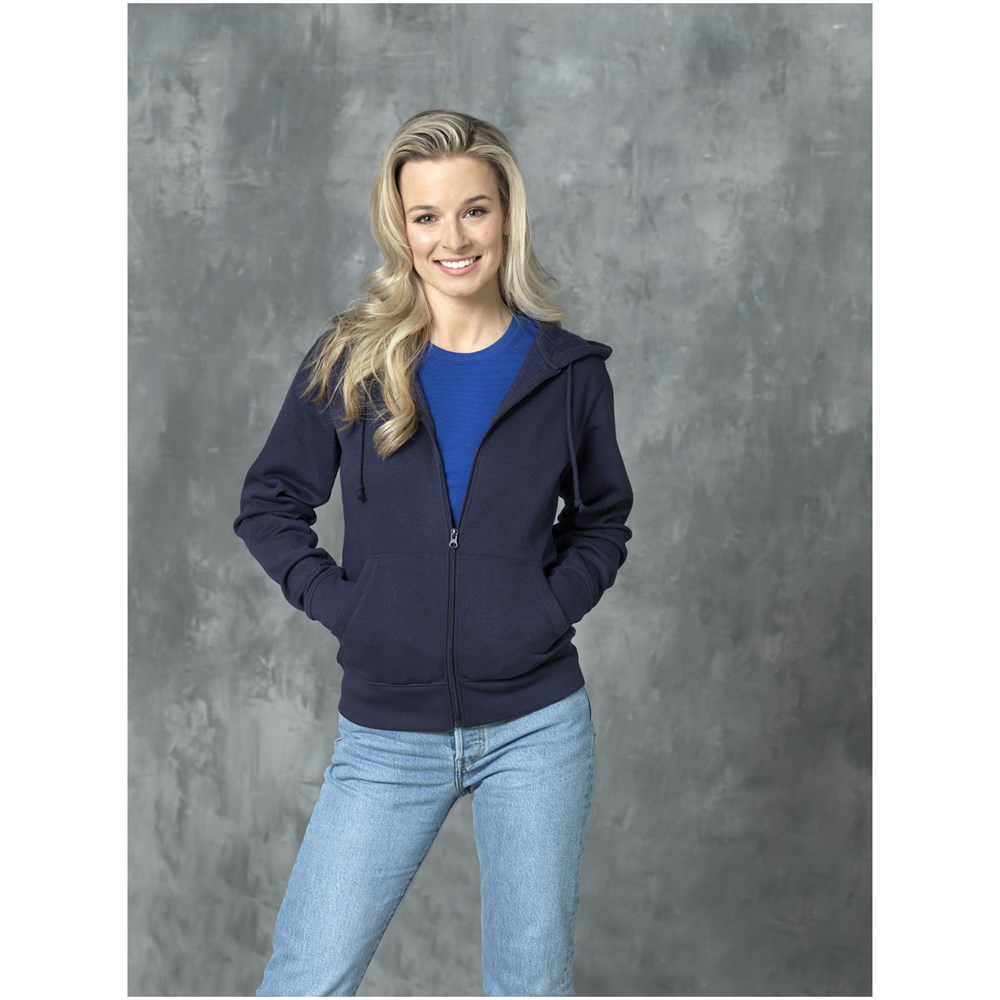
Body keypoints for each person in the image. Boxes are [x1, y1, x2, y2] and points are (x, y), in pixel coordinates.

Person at [234, 109, 634, 997]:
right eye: (427, 217)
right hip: (387, 733)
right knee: (305, 979)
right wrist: (351, 608)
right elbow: (268, 506)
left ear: (506, 216)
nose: (452, 239)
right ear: (401, 228)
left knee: (529, 986)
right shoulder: (350, 360)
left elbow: (603, 518)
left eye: (473, 211)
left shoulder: (568, 373)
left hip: (535, 728)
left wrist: (542, 609)